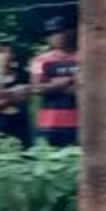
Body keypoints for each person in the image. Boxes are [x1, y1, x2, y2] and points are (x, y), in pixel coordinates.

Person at [30, 17, 82, 149]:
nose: (53, 37)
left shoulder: (83, 58)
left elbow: (85, 88)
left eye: (57, 32)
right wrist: (68, 81)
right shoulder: (40, 60)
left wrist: (51, 85)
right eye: (50, 34)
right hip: (48, 123)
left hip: (78, 123)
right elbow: (36, 89)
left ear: (69, 32)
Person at [0, 41, 32, 147]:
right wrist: (12, 97)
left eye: (8, 52)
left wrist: (3, 95)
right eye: (1, 52)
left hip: (19, 125)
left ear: (13, 56)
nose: (5, 56)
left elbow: (25, 98)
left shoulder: (23, 76)